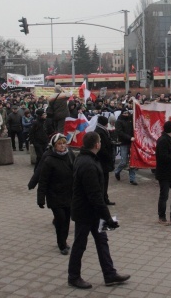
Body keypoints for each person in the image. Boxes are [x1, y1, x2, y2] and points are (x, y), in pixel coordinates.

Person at [67, 132, 130, 289]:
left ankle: (109, 274)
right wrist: (108, 218)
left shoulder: (86, 158)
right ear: (96, 145)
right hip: (85, 212)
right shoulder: (88, 164)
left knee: (102, 241)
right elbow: (94, 195)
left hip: (93, 212)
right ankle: (73, 277)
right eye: (100, 141)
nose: (101, 143)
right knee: (80, 244)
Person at [37, 133, 75, 255]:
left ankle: (64, 239)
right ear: (54, 145)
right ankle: (61, 244)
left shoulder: (70, 155)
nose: (63, 146)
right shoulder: (49, 160)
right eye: (59, 144)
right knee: (60, 219)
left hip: (69, 194)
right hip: (55, 196)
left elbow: (76, 172)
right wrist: (41, 198)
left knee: (67, 220)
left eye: (64, 143)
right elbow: (43, 180)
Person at [94, 116, 116, 206]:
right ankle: (103, 199)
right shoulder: (100, 131)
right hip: (103, 160)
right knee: (103, 181)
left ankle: (104, 198)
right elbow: (102, 148)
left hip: (104, 160)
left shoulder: (101, 130)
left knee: (104, 181)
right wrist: (108, 155)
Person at [114, 110, 137, 185]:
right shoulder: (118, 122)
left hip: (132, 143)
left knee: (132, 161)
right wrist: (129, 138)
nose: (126, 114)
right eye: (124, 113)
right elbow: (120, 133)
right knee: (124, 161)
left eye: (127, 113)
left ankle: (132, 179)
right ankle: (117, 171)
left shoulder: (131, 120)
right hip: (124, 143)